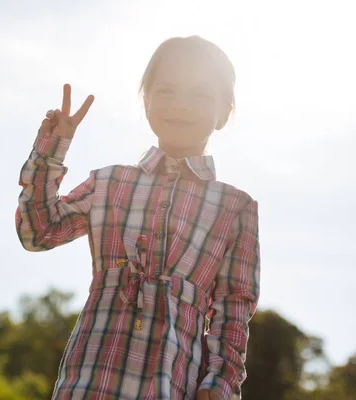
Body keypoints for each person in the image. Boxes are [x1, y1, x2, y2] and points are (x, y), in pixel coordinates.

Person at [15, 35, 260, 400]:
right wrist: (51, 149)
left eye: (200, 94)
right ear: (145, 101)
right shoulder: (110, 182)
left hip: (172, 385)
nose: (181, 105)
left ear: (225, 111)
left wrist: (219, 385)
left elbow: (233, 311)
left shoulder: (234, 208)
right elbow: (38, 232)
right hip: (88, 384)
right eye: (166, 90)